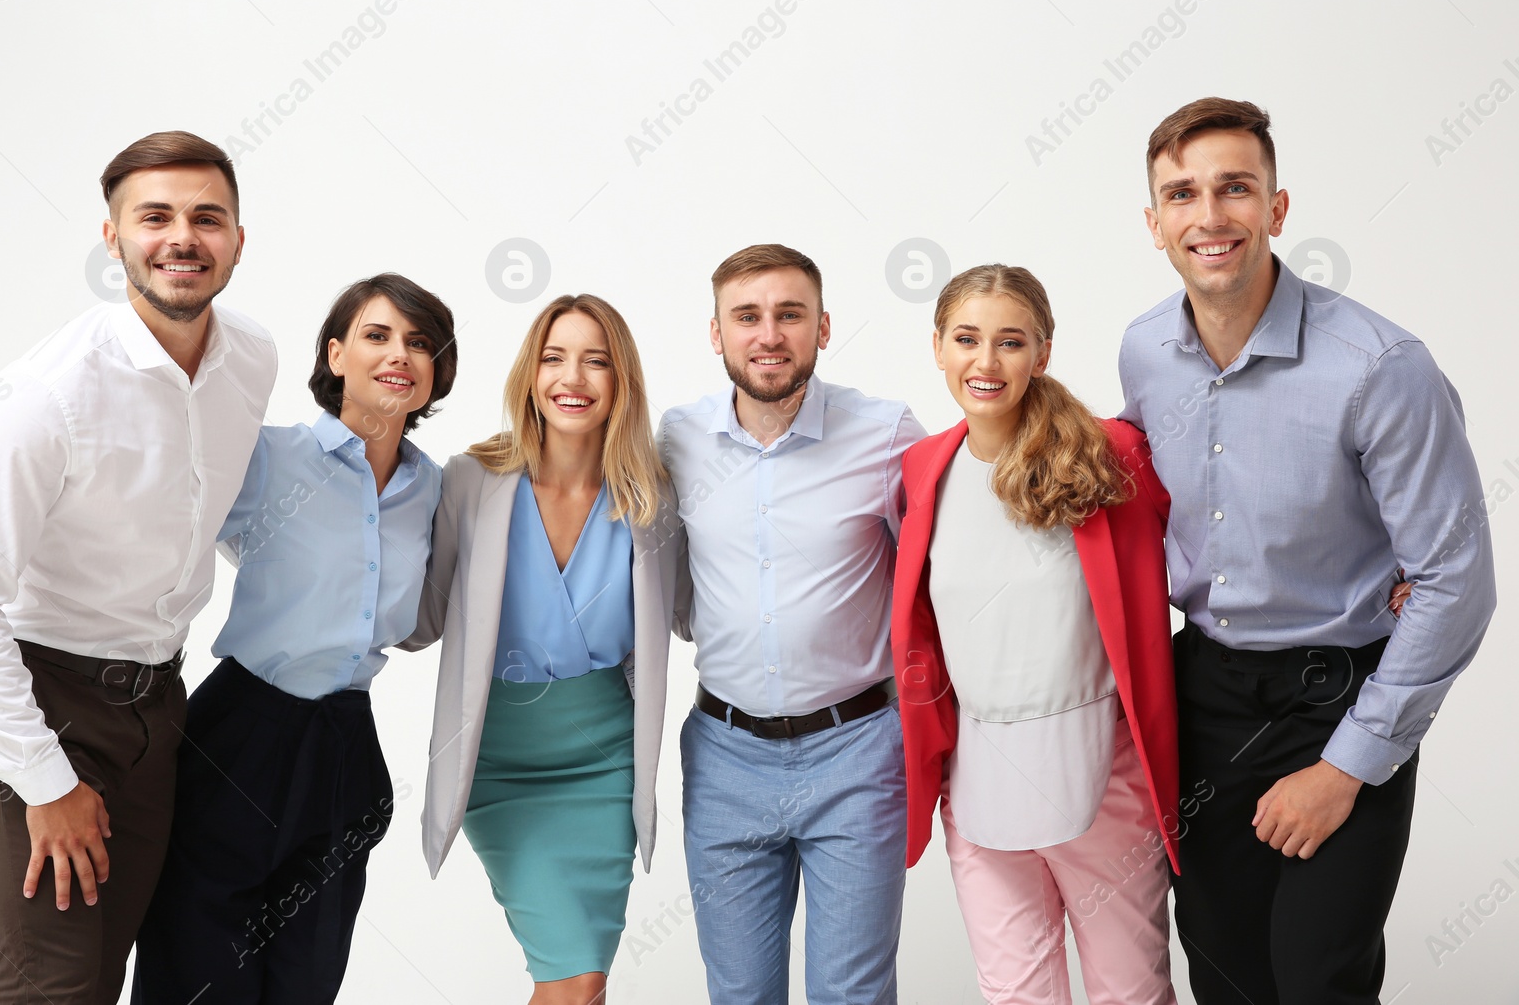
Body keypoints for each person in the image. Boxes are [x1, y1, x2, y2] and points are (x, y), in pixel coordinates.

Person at [1120, 97, 1498, 1004]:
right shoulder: (1144, 351)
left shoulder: (1378, 364)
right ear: (1155, 222)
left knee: (1318, 978)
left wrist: (1344, 768)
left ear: (1277, 209)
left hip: (1339, 697)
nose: (1209, 217)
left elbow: (1457, 582)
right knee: (1222, 970)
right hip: (1202, 695)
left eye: (1235, 188)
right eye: (1183, 195)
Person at [0, 132, 276, 1003]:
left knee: (112, 968)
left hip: (161, 702)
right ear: (112, 239)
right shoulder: (46, 397)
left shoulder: (252, 360)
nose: (181, 237)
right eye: (154, 217)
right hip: (46, 700)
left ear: (239, 238)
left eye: (207, 217)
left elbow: (213, 508)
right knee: (56, 984)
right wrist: (44, 781)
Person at [131, 273, 457, 1003]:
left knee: (305, 984)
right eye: (376, 335)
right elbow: (161, 531)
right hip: (242, 733)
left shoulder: (433, 489)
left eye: (418, 342)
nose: (398, 353)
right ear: (336, 354)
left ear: (437, 369)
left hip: (345, 745)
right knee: (197, 977)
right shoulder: (268, 456)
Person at [894, 264, 1179, 1004]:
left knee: (1130, 989)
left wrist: (1379, 575)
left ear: (1042, 352)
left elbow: (1219, 536)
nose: (985, 363)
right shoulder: (923, 467)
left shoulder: (1110, 453)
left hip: (1099, 764)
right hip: (979, 771)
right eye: (967, 339)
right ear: (937, 348)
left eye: (1009, 342)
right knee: (1015, 990)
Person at [659, 243, 926, 1005]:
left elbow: (942, 578)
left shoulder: (884, 433)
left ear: (823, 326)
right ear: (716, 332)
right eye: (747, 316)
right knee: (739, 994)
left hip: (859, 751)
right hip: (725, 756)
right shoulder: (678, 439)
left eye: (789, 314)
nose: (768, 334)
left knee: (852, 993)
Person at [406, 294, 677, 1005]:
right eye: (554, 358)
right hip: (499, 761)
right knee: (569, 979)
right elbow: (423, 618)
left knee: (581, 982)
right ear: (530, 374)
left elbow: (691, 614)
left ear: (622, 381)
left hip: (603, 762)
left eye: (596, 361)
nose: (573, 378)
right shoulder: (472, 479)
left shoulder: (651, 495)